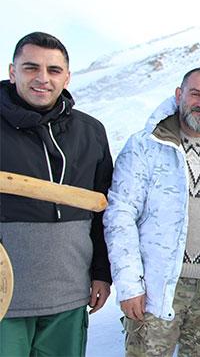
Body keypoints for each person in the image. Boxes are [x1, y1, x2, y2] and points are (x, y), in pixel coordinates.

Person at [103, 67, 200, 357]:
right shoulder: (146, 145)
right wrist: (130, 285)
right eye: (195, 94)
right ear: (179, 95)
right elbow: (121, 215)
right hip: (160, 285)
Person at [0, 32, 113, 356]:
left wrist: (101, 273)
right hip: (4, 297)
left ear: (67, 77)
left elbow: (102, 210)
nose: (42, 79)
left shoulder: (90, 132)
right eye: (30, 68)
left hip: (67, 295)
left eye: (53, 70)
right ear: (12, 71)